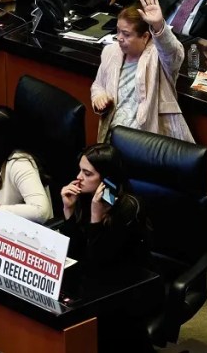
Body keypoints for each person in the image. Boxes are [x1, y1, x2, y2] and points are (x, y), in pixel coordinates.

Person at [59, 143, 151, 351]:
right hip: (94, 283)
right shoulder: (85, 198)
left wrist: (96, 218)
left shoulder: (129, 208)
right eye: (80, 170)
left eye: (87, 173)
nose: (79, 178)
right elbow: (74, 254)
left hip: (126, 290)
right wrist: (68, 212)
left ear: (106, 180)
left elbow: (99, 259)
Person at [90, 0, 191, 143]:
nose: (119, 38)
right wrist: (99, 96)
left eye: (126, 34)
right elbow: (98, 85)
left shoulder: (158, 57)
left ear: (144, 36)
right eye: (118, 31)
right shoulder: (110, 52)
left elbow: (174, 53)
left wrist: (158, 25)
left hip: (148, 141)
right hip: (112, 138)